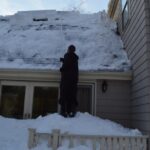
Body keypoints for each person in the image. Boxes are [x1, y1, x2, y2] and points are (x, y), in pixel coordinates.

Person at [59, 45, 79, 117]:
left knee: (64, 95)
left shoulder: (67, 55)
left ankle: (63, 112)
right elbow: (70, 63)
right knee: (72, 95)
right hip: (73, 81)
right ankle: (71, 111)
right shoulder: (75, 58)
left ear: (68, 49)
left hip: (66, 80)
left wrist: (62, 69)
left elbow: (67, 64)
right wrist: (64, 60)